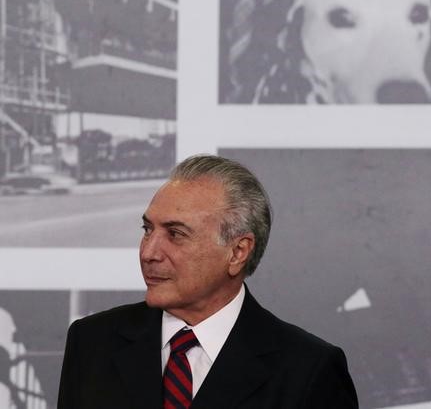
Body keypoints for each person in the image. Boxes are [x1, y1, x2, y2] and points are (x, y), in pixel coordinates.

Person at [58, 155, 358, 408]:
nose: (149, 252)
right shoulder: (92, 342)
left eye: (175, 234)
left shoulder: (308, 369)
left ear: (237, 252)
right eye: (148, 230)